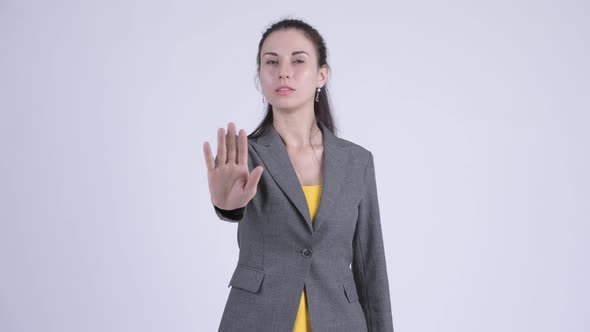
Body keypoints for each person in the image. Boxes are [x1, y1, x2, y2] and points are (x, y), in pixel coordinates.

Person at [203, 18, 394, 332]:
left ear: (322, 74)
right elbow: (232, 206)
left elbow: (370, 265)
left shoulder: (357, 161)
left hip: (339, 321)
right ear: (260, 76)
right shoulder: (243, 156)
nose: (284, 71)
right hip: (256, 319)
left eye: (298, 60)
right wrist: (226, 206)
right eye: (272, 61)